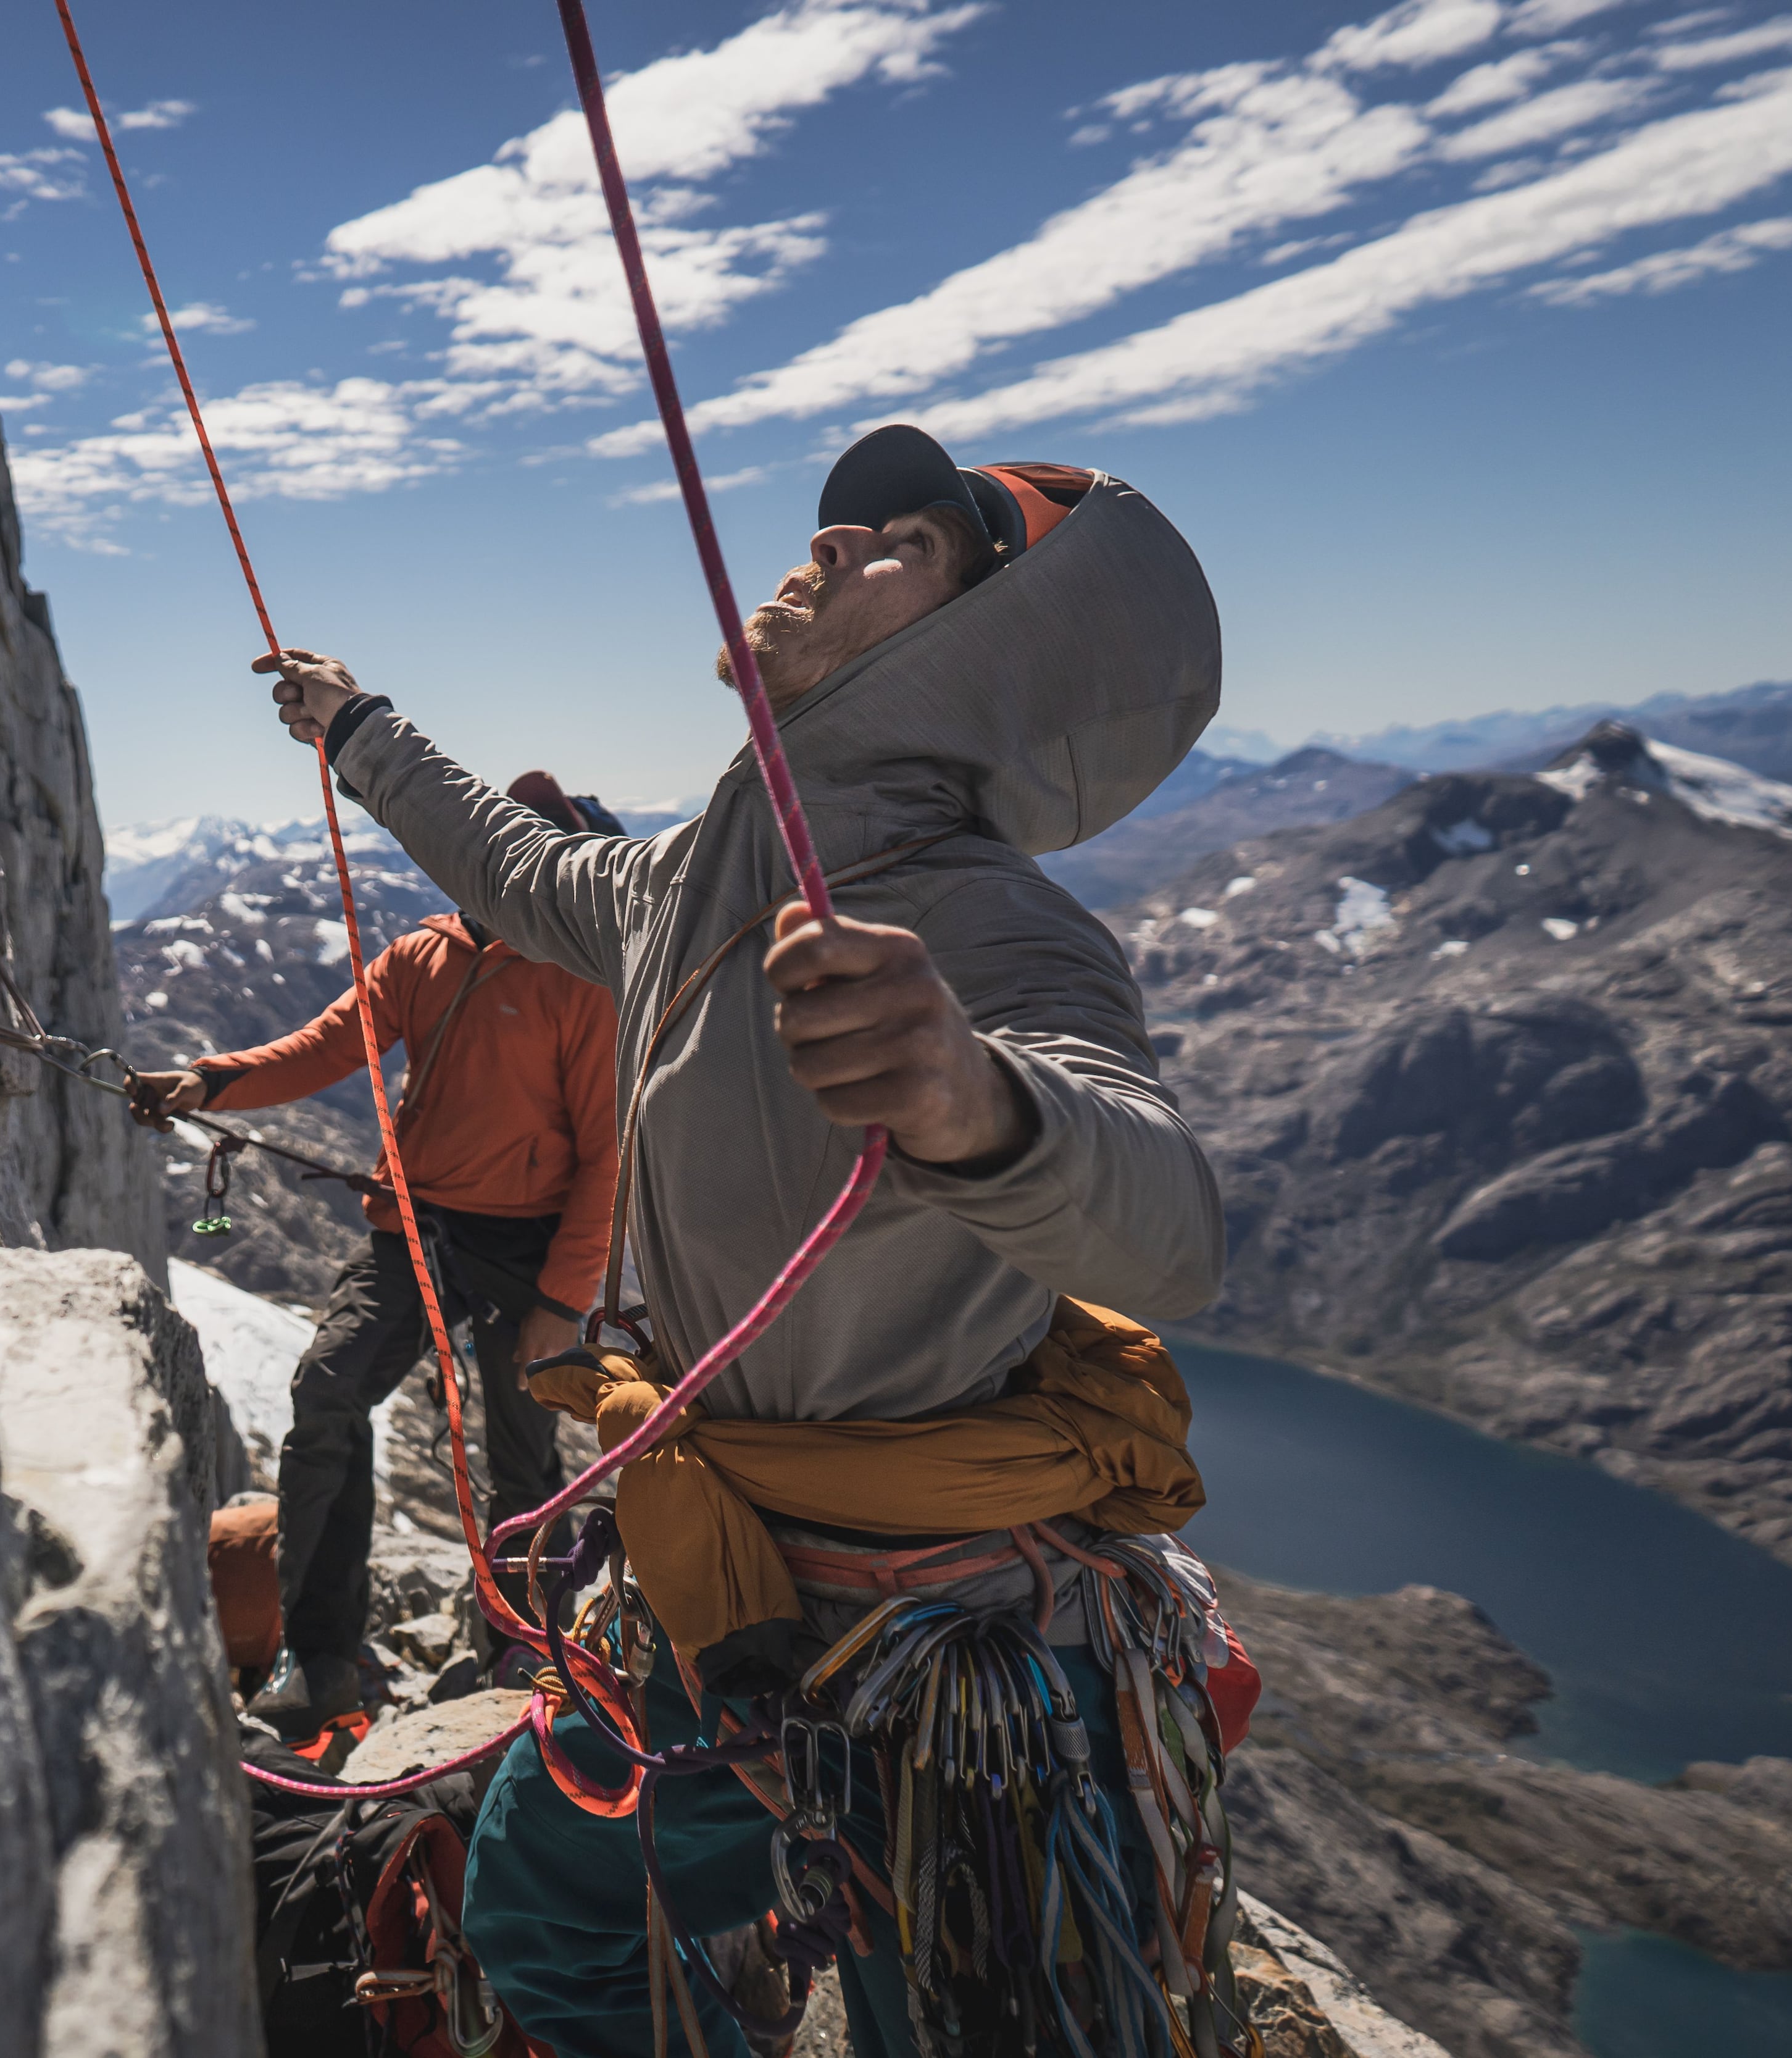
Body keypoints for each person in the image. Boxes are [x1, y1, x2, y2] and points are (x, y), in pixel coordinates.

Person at [254, 427, 1242, 2058]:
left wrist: (975, 1099)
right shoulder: (671, 889)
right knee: (550, 1909)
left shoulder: (987, 923)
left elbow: (1172, 1229)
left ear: (989, 651)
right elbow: (508, 863)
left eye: (909, 539)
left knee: (907, 1999)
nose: (833, 536)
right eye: (844, 516)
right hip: (747, 1594)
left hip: (908, 1642)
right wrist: (360, 725)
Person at [131, 779, 624, 1739]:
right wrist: (208, 1084)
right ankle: (320, 1654)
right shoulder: (425, 956)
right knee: (327, 1390)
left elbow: (608, 1156)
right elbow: (328, 1046)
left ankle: (526, 1651)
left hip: (527, 1247)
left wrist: (561, 1302)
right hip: (415, 1228)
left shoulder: (577, 976)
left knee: (523, 1459)